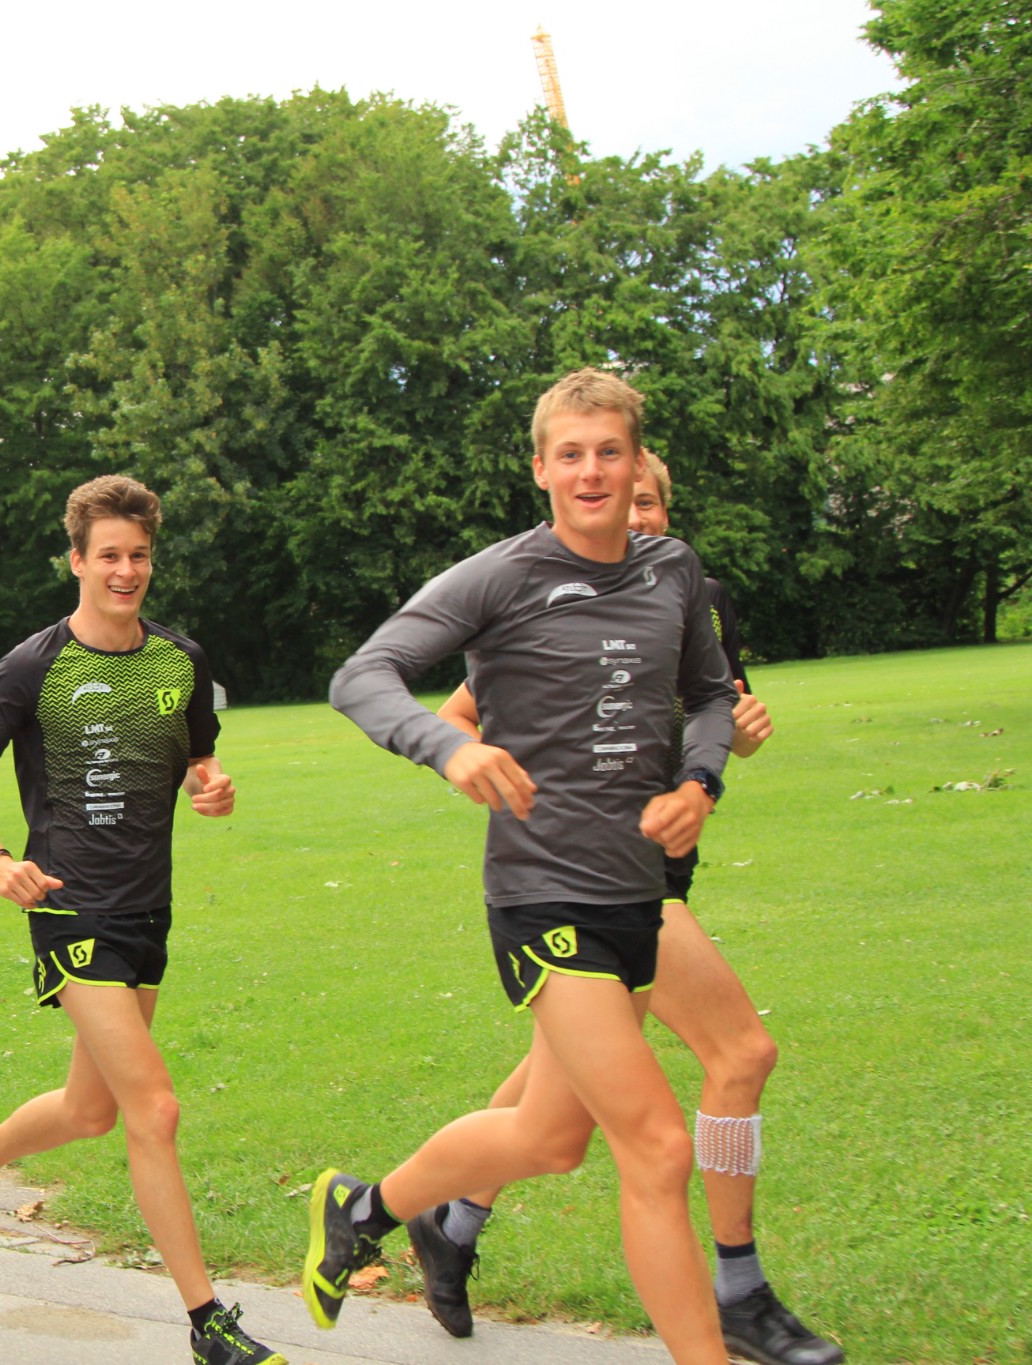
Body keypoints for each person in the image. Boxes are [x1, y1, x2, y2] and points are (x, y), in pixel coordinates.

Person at [306, 369, 737, 1364]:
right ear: (540, 467)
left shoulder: (672, 571)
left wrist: (699, 782)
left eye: (609, 452)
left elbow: (711, 694)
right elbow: (362, 675)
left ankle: (363, 1210)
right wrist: (447, 747)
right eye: (570, 454)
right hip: (543, 891)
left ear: (635, 461)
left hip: (637, 893)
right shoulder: (498, 576)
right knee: (656, 1146)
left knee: (549, 1137)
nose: (591, 472)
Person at [411, 455, 838, 1365]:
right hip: (590, 877)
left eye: (649, 501)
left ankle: (448, 1221)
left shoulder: (691, 595)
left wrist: (737, 741)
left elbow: (710, 719)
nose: (634, 515)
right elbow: (457, 715)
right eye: (622, 499)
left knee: (551, 1088)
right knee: (741, 1053)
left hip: (659, 868)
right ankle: (738, 1290)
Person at [0, 476, 285, 1365]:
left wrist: (214, 787)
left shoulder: (181, 660)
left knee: (91, 1109)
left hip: (146, 909)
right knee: (153, 1109)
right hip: (69, 906)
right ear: (77, 561)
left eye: (138, 556)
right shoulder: (32, 666)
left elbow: (201, 762)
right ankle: (207, 1323)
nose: (125, 571)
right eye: (108, 556)